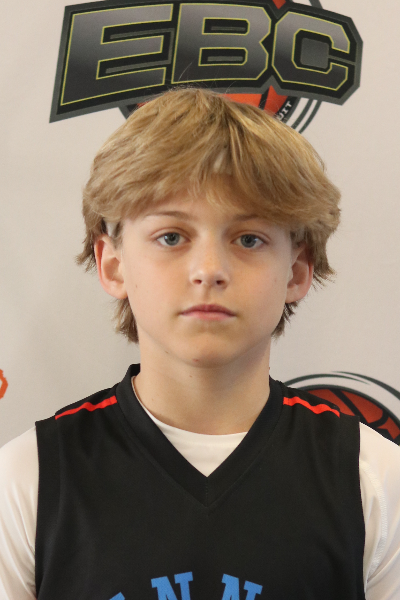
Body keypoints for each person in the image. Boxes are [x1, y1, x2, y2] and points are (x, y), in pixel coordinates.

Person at [0, 88, 399, 600]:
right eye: (171, 237)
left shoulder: (372, 480)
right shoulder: (29, 480)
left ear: (297, 270)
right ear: (113, 264)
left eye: (249, 239)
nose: (209, 270)